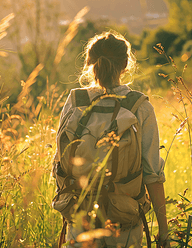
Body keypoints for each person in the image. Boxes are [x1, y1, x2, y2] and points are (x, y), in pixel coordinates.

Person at [61, 31, 170, 247]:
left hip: (80, 219)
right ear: (125, 65)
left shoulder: (75, 101)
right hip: (125, 222)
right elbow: (152, 175)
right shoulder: (139, 106)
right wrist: (164, 233)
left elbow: (60, 163)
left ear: (90, 63)